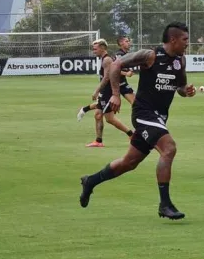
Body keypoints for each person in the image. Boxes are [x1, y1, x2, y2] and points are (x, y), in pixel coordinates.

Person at [79, 22, 196, 220]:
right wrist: (115, 94)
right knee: (169, 149)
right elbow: (116, 65)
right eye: (185, 39)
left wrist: (187, 91)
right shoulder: (150, 56)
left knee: (129, 163)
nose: (188, 43)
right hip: (144, 113)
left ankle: (90, 181)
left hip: (159, 118)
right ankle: (165, 204)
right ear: (173, 39)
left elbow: (181, 87)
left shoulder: (180, 61)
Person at [81, 39, 135, 147]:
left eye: (95, 49)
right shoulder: (104, 59)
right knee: (97, 115)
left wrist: (97, 91)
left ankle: (131, 134)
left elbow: (106, 78)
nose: (93, 51)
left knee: (109, 119)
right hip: (105, 91)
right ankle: (98, 141)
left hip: (108, 91)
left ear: (102, 48)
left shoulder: (107, 60)